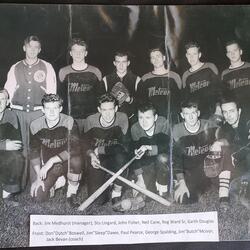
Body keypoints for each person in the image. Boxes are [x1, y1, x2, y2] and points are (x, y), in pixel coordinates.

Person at [4, 35, 57, 156]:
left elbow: (52, 93)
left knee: (37, 149)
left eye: (36, 47)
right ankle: (21, 175)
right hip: (18, 114)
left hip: (39, 114)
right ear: (24, 48)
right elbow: (7, 93)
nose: (32, 50)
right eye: (29, 47)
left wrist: (48, 112)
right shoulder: (15, 67)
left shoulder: (47, 67)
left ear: (40, 50)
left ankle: (37, 175)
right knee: (19, 148)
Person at [29, 94, 82, 205]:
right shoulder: (35, 125)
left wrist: (52, 160)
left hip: (67, 162)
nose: (52, 112)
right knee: (38, 197)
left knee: (77, 160)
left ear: (61, 108)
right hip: (48, 166)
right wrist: (39, 176)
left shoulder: (69, 121)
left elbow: (75, 148)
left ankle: (71, 194)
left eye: (55, 108)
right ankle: (58, 182)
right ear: (43, 109)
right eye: (48, 108)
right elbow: (34, 151)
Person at [82, 93, 129, 207]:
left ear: (116, 108)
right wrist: (92, 155)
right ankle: (107, 182)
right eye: (104, 110)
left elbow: (124, 147)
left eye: (111, 109)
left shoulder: (122, 118)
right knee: (97, 202)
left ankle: (116, 192)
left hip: (115, 158)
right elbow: (84, 145)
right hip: (97, 160)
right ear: (99, 109)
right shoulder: (90, 120)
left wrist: (100, 149)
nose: (108, 114)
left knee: (122, 157)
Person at [173, 99, 218, 204]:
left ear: (198, 113)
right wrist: (181, 182)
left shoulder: (210, 125)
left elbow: (224, 135)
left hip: (207, 166)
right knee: (184, 198)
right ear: (182, 115)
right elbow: (176, 159)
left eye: (193, 113)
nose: (191, 117)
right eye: (187, 114)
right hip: (189, 169)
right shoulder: (177, 130)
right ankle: (179, 182)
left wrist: (219, 141)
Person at [210, 92, 250, 209]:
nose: (229, 116)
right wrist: (219, 143)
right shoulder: (224, 128)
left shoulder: (248, 122)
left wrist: (236, 154)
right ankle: (239, 185)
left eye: (232, 111)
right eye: (225, 112)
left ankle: (235, 187)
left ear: (239, 111)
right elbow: (226, 143)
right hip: (238, 166)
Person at [58, 38, 104, 133]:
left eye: (81, 51)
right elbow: (60, 97)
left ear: (86, 53)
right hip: (70, 118)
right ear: (70, 53)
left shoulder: (95, 71)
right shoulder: (63, 72)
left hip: (91, 117)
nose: (78, 54)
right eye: (75, 51)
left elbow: (101, 96)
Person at [131, 102, 170, 197]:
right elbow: (134, 154)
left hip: (161, 157)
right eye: (141, 118)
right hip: (147, 160)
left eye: (148, 117)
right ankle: (141, 178)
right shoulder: (135, 128)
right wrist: (140, 178)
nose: (144, 122)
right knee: (145, 196)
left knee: (163, 157)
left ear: (155, 117)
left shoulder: (163, 123)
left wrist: (149, 147)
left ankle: (162, 185)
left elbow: (167, 147)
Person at [136, 47, 182, 123]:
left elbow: (181, 99)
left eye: (158, 56)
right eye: (153, 57)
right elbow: (141, 102)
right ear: (150, 60)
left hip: (171, 120)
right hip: (152, 121)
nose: (156, 59)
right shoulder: (145, 78)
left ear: (164, 58)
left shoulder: (175, 76)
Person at [182, 41, 221, 120]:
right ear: (186, 56)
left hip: (214, 112)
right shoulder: (185, 75)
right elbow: (186, 99)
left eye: (194, 54)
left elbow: (220, 90)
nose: (191, 57)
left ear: (199, 55)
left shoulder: (210, 67)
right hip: (197, 116)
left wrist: (219, 108)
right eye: (189, 54)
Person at [102, 51, 141, 124]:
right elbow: (100, 101)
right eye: (118, 62)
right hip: (111, 120)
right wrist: (112, 99)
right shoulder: (105, 80)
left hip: (131, 119)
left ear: (128, 63)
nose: (121, 65)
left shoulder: (137, 80)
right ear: (114, 63)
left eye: (124, 62)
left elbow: (142, 103)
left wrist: (130, 99)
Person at [0, 89, 24, 202]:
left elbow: (17, 143)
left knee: (16, 157)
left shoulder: (11, 115)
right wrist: (3, 144)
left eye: (2, 99)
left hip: (3, 154)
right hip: (2, 148)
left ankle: (7, 193)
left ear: (8, 102)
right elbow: (7, 145)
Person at [221, 40, 250, 110]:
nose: (232, 54)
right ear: (227, 55)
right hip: (235, 112)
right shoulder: (224, 74)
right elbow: (224, 95)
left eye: (235, 50)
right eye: (229, 52)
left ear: (241, 52)